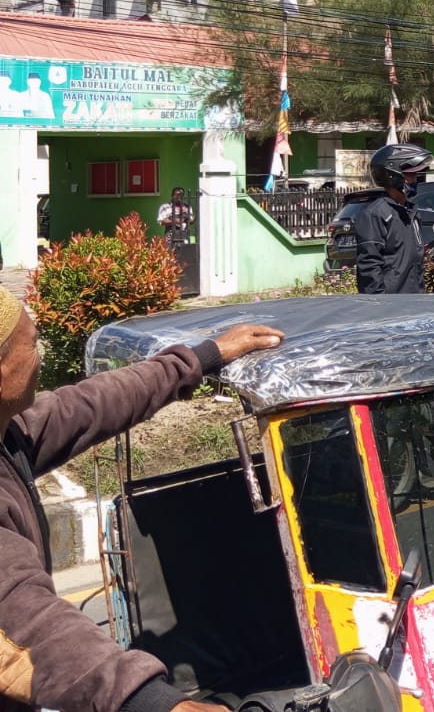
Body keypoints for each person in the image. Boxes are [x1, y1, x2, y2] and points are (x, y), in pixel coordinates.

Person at [0, 286, 282, 712]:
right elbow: (26, 614)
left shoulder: (8, 433)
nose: (40, 355)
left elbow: (91, 405)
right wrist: (151, 699)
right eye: (34, 343)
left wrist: (203, 358)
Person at [354, 141, 432, 294]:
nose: (415, 179)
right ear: (393, 175)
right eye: (410, 174)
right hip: (391, 305)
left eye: (416, 174)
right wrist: (381, 304)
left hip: (415, 300)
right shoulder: (376, 214)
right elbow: (369, 267)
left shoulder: (411, 212)